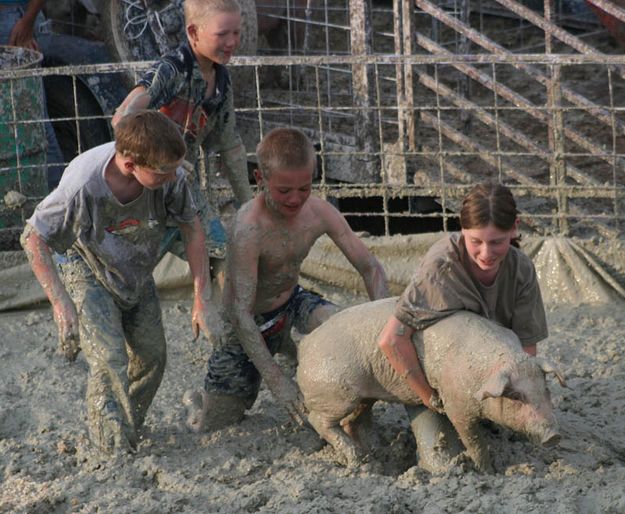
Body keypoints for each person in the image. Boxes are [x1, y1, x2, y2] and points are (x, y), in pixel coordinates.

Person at [20, 110, 224, 454]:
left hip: (135, 266)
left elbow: (192, 229)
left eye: (176, 168)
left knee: (152, 356)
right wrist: (61, 303)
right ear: (130, 164)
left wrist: (201, 297)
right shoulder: (83, 185)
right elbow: (33, 237)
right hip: (85, 265)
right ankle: (111, 449)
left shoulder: (170, 179)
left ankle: (128, 427)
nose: (174, 177)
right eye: (164, 172)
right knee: (109, 361)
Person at [183, 127, 391, 431]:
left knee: (342, 327)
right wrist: (278, 381)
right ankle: (197, 403)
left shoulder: (318, 211)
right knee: (214, 424)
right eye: (284, 191)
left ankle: (349, 410)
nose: (295, 199)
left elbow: (370, 267)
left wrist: (383, 323)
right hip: (245, 323)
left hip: (291, 302)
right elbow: (240, 314)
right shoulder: (248, 229)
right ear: (260, 180)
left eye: (304, 188)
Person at [377, 182, 548, 472]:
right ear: (462, 231)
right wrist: (430, 398)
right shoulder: (441, 267)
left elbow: (526, 349)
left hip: (486, 383)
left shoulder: (521, 270)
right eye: (476, 241)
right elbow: (391, 340)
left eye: (496, 242)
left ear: (514, 229)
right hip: (436, 384)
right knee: (444, 462)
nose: (485, 253)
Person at [112, 0, 252, 260]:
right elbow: (122, 119)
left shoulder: (221, 81)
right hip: (142, 185)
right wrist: (165, 163)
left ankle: (211, 297)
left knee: (217, 248)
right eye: (222, 34)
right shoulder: (172, 70)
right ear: (193, 33)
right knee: (131, 260)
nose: (232, 42)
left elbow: (230, 145)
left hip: (181, 189)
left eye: (236, 33)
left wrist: (249, 206)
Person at [1, 0, 65, 189]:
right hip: (14, 19)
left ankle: (56, 197)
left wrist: (27, 21)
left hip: (12, 21)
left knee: (34, 121)